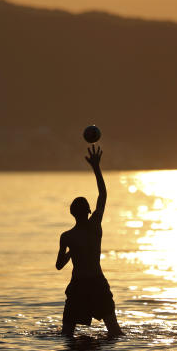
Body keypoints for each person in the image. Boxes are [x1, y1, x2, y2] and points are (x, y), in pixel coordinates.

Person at [56, 144, 123, 338]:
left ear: (72, 213)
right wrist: (96, 168)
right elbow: (103, 195)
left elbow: (59, 265)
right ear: (88, 211)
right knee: (114, 332)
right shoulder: (94, 226)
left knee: (67, 334)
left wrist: (71, 251)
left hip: (83, 284)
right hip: (93, 284)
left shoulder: (67, 236)